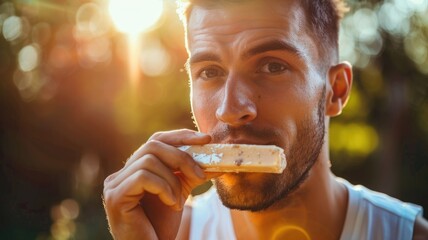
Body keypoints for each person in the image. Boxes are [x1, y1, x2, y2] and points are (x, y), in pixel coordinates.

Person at [103, 0, 428, 239]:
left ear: (335, 90)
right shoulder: (167, 233)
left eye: (273, 66)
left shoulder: (406, 235)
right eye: (209, 72)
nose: (229, 110)